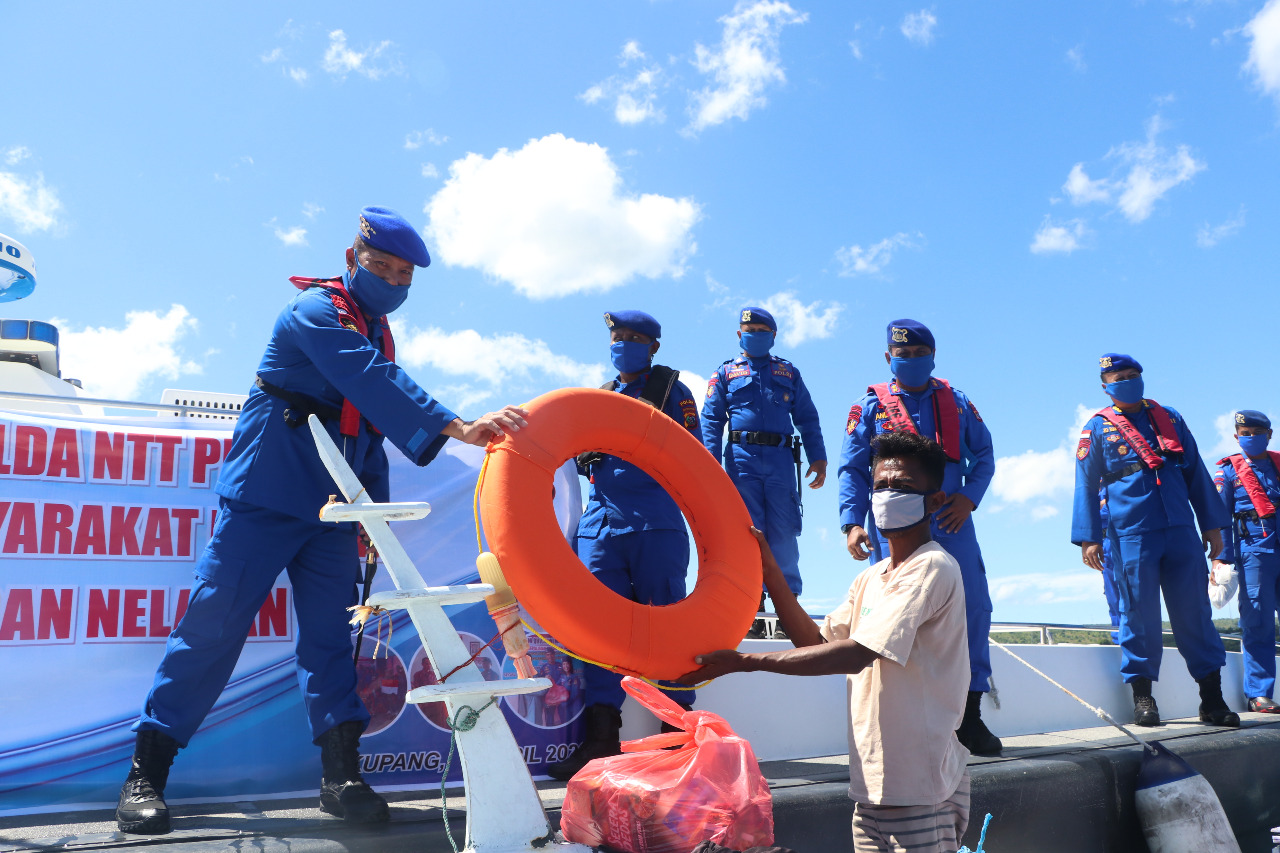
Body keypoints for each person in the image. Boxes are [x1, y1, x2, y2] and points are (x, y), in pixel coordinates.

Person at [115, 207, 528, 834]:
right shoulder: (315, 312)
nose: (390, 279)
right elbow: (372, 383)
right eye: (380, 266)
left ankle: (341, 778)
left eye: (402, 274)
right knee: (213, 626)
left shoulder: (377, 330)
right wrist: (459, 426)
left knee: (332, 643)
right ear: (351, 257)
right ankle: (148, 770)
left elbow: (366, 431)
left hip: (335, 511)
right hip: (267, 496)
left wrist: (370, 517)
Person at [682, 431, 970, 853]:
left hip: (921, 789)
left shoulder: (932, 567)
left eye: (903, 488)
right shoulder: (871, 578)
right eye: (880, 486)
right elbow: (811, 641)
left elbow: (856, 655)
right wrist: (770, 570)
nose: (887, 495)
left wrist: (744, 661)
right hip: (871, 790)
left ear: (935, 501)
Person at [546, 310, 702, 781]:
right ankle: (599, 741)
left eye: (635, 338)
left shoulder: (673, 392)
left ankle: (676, 746)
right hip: (600, 530)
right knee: (598, 636)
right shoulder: (600, 398)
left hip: (655, 524)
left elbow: (696, 453)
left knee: (668, 631)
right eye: (618, 337)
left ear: (653, 347)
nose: (625, 344)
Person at [837, 319, 1000, 755]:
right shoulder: (869, 406)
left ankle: (970, 715)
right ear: (889, 358)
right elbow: (852, 469)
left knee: (972, 608)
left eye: (918, 354)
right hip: (895, 525)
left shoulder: (959, 403)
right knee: (892, 612)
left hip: (951, 521)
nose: (910, 361)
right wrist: (852, 522)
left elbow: (984, 456)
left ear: (933, 357)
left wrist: (968, 499)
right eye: (902, 355)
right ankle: (898, 715)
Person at [1071, 353, 1237, 728]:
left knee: (1195, 614)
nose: (1126, 381)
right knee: (1137, 616)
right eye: (1118, 378)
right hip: (1130, 532)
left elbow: (1195, 470)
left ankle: (1211, 699)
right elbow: (1084, 483)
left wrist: (1212, 525)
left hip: (1180, 528)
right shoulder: (1096, 428)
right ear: (1105, 386)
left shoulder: (1171, 418)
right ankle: (1143, 698)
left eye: (1132, 375)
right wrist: (1088, 538)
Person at [701, 307, 826, 636]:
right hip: (741, 460)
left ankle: (788, 606)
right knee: (747, 532)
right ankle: (752, 609)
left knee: (784, 532)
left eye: (761, 329)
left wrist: (819, 457)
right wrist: (710, 463)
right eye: (748, 329)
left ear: (773, 335)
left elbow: (807, 417)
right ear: (739, 335)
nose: (754, 334)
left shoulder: (788, 372)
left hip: (781, 459)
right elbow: (711, 421)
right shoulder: (725, 373)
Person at [1212, 410, 1280, 714]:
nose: (1251, 437)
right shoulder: (1228, 472)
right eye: (1245, 432)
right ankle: (1259, 694)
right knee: (1258, 622)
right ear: (1237, 436)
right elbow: (1219, 517)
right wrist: (1221, 558)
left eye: (1257, 431)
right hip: (1254, 552)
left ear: (1269, 434)